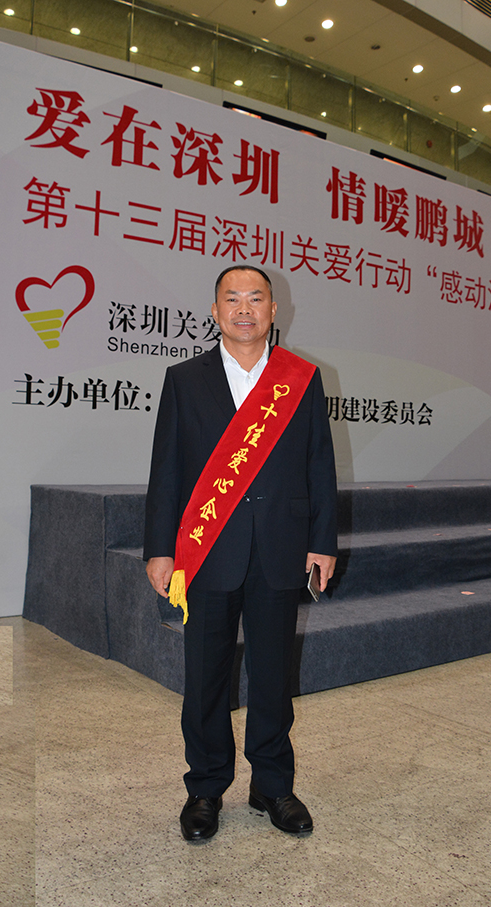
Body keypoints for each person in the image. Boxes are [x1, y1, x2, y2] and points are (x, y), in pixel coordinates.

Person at [143, 265, 338, 841]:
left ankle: (273, 786)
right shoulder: (184, 380)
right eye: (233, 298)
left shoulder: (300, 379)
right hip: (207, 551)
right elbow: (166, 471)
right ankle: (205, 789)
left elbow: (319, 464)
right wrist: (160, 549)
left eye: (257, 298)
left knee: (274, 675)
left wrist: (322, 542)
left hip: (281, 546)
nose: (245, 309)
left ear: (275, 310)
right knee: (205, 677)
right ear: (215, 311)